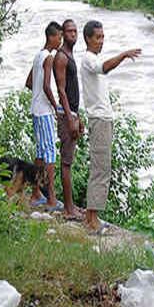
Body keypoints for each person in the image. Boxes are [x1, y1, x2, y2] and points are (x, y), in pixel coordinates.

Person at [80, 20, 141, 232]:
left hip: (104, 119)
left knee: (102, 167)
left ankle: (91, 216)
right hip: (99, 120)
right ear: (88, 38)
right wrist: (123, 55)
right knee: (100, 169)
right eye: (98, 37)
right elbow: (104, 68)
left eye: (103, 37)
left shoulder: (93, 57)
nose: (101, 41)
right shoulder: (88, 59)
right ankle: (92, 219)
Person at [25, 21, 62, 211]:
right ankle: (52, 199)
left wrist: (38, 94)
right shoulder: (49, 58)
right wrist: (55, 107)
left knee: (40, 152)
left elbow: (29, 82)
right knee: (50, 153)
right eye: (59, 37)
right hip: (45, 111)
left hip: (35, 108)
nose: (60, 40)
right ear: (51, 37)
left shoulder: (38, 55)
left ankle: (35, 193)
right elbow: (47, 86)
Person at [53, 19, 86, 220]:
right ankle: (68, 209)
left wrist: (78, 116)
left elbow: (74, 91)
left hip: (71, 113)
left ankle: (71, 205)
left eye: (75, 31)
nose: (73, 34)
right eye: (69, 31)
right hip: (66, 115)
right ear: (63, 34)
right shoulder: (62, 57)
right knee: (66, 162)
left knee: (69, 161)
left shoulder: (70, 55)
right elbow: (61, 90)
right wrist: (70, 118)